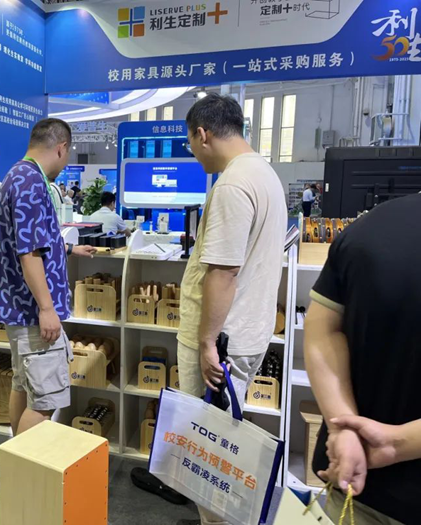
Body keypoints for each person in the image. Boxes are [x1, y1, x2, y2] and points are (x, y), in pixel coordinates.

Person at [176, 94, 287, 525]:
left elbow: (223, 272)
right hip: (247, 332)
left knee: (206, 451)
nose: (193, 152)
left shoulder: (231, 185)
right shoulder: (265, 174)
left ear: (203, 134)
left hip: (221, 341)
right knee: (223, 440)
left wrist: (207, 343)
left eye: (190, 143)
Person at [0, 118, 95, 489]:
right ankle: (15, 475)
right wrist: (47, 309)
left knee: (24, 386)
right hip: (33, 312)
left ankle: (11, 466)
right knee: (45, 400)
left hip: (20, 310)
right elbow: (29, 253)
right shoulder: (32, 181)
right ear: (61, 147)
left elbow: (33, 240)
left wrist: (69, 249)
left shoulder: (18, 176)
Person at [304, 194, 421, 525]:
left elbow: (322, 328)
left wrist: (342, 427)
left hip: (352, 482)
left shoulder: (370, 226)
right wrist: (396, 443)